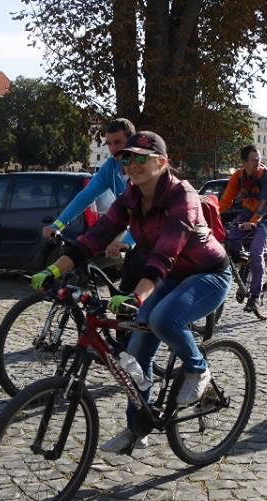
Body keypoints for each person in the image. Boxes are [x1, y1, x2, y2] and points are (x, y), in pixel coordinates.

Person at [30, 131, 232, 454]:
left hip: (208, 273)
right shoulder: (131, 198)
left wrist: (138, 295)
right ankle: (138, 429)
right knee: (138, 350)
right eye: (126, 157)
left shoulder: (183, 196)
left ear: (162, 162)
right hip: (172, 275)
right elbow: (96, 237)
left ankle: (198, 368)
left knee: (163, 319)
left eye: (140, 157)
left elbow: (166, 251)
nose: (131, 164)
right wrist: (54, 270)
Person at [42, 118, 142, 290]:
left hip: (159, 233)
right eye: (109, 143)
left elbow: (145, 213)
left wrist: (127, 241)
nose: (113, 148)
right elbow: (86, 196)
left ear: (131, 141)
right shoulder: (111, 168)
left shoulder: (143, 167)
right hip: (135, 228)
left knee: (144, 298)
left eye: (118, 142)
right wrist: (59, 224)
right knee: (125, 294)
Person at [217, 145, 267, 309]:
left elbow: (265, 203)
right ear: (244, 162)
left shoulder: (266, 176)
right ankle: (245, 269)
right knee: (231, 239)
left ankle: (255, 295)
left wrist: (254, 221)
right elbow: (226, 201)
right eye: (253, 160)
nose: (257, 163)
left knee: (256, 252)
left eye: (259, 160)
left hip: (266, 217)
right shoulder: (238, 177)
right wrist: (212, 214)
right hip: (247, 213)